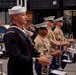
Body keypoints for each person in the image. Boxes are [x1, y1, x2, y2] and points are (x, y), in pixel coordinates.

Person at [3, 6, 51, 75]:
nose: (26, 17)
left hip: (27, 69)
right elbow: (15, 57)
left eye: (25, 14)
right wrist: (37, 60)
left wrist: (40, 55)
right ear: (15, 17)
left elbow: (30, 47)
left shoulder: (23, 31)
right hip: (17, 71)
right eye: (23, 15)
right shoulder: (11, 33)